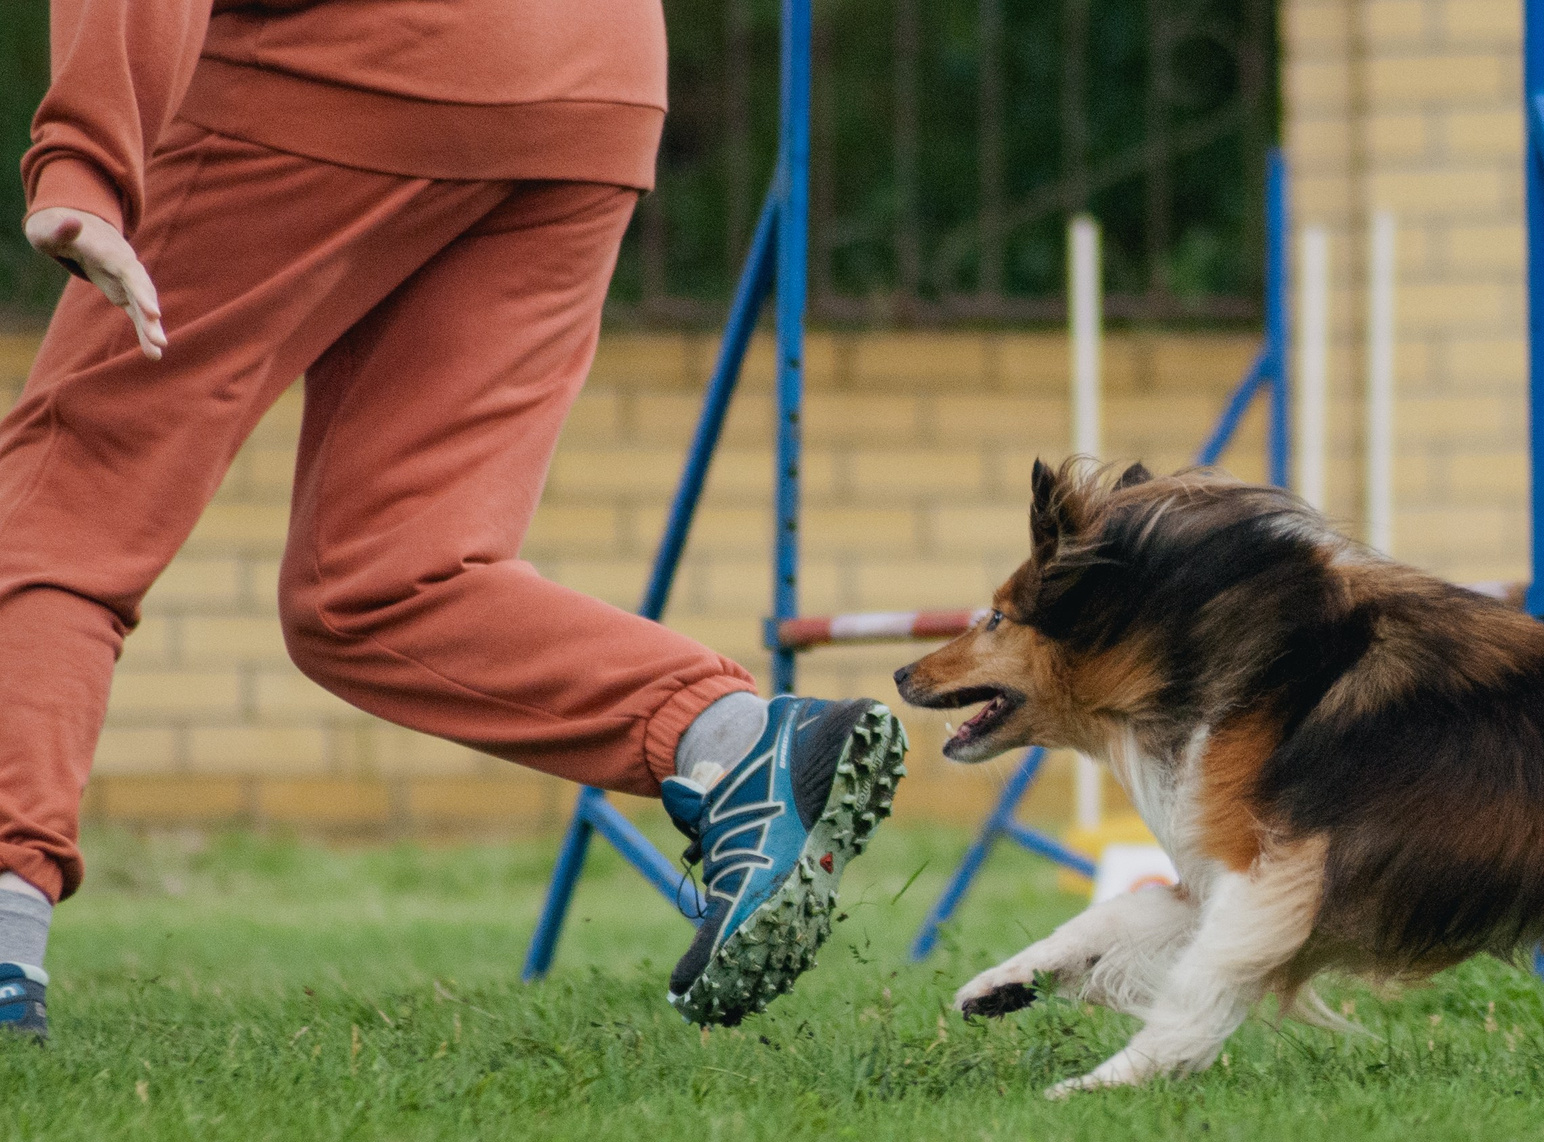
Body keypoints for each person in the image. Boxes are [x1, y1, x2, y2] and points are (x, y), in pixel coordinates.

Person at [0, 0, 905, 1048]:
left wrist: (84, 167)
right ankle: (733, 744)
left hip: (338, 73)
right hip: (592, 79)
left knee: (64, 509)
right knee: (388, 581)